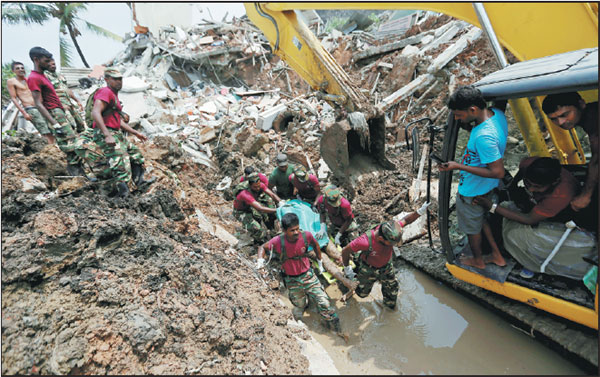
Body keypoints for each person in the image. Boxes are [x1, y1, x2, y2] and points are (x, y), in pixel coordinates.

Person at [473, 157, 597, 280]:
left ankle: (532, 263)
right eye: (528, 183)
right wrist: (513, 184)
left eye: (537, 187)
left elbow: (529, 219)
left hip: (563, 219)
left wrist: (492, 207)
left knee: (515, 235)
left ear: (554, 182)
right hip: (541, 206)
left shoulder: (561, 195)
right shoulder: (528, 164)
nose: (531, 189)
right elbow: (522, 172)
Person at [438, 85, 508, 269]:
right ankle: (496, 255)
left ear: (473, 110)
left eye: (459, 115)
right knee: (482, 220)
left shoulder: (483, 137)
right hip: (487, 187)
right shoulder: (497, 114)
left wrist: (458, 166)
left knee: (472, 228)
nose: (456, 119)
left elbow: (498, 171)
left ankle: (478, 260)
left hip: (472, 191)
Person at [256, 212, 341, 332]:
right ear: (285, 231)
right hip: (291, 279)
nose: (296, 232)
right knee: (299, 304)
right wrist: (260, 261)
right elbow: (262, 248)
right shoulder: (277, 241)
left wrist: (320, 261)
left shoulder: (306, 236)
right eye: (292, 230)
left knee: (324, 302)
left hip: (308, 275)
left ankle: (335, 327)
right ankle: (302, 309)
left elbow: (316, 246)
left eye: (297, 229)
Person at [341, 203, 429, 309]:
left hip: (386, 267)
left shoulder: (391, 229)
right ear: (381, 239)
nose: (392, 245)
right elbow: (345, 251)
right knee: (362, 294)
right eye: (390, 243)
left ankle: (389, 307)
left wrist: (420, 211)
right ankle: (348, 278)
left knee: (392, 296)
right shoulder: (364, 241)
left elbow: (406, 220)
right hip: (368, 269)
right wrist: (347, 269)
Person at [91, 67, 149, 198]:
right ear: (106, 80)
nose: (119, 82)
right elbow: (95, 112)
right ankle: (124, 195)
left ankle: (139, 183)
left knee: (136, 154)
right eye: (115, 79)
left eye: (120, 79)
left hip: (115, 132)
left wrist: (135, 133)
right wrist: (107, 135)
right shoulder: (105, 92)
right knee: (120, 162)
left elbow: (117, 121)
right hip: (105, 132)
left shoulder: (114, 95)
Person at [27, 47, 83, 176]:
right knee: (69, 145)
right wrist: (55, 123)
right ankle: (76, 176)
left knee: (73, 143)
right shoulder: (34, 78)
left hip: (59, 111)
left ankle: (80, 174)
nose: (49, 63)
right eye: (46, 61)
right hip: (54, 114)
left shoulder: (42, 76)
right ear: (36, 60)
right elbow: (38, 103)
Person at [542, 92, 598, 212]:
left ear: (581, 104)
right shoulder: (591, 113)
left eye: (565, 114)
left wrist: (585, 195)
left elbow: (597, 161)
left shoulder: (595, 118)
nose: (561, 122)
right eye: (554, 119)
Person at [6, 61, 55, 144]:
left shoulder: (29, 79)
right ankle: (51, 148)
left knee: (51, 129)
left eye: (22, 68)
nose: (21, 70)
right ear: (13, 71)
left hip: (40, 107)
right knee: (44, 130)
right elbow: (13, 98)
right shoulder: (12, 81)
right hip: (30, 108)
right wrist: (24, 113)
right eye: (17, 68)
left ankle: (53, 148)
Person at [234, 172, 283, 244]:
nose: (257, 188)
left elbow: (272, 194)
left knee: (265, 216)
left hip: (250, 206)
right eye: (255, 187)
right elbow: (260, 208)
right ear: (250, 185)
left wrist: (281, 202)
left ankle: (270, 230)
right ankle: (259, 242)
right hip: (241, 211)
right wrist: (277, 210)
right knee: (257, 229)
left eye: (258, 186)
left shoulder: (260, 185)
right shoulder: (245, 194)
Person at [45, 58, 86, 133]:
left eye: (53, 64)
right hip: (59, 104)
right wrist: (60, 104)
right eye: (50, 64)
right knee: (70, 125)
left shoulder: (60, 76)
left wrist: (77, 101)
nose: (52, 66)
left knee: (80, 123)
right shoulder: (45, 77)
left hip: (69, 102)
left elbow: (67, 89)